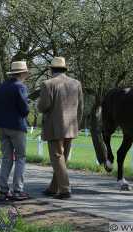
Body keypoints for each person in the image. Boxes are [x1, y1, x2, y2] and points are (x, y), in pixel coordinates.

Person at [37, 57, 83, 200]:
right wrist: (77, 124)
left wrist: (36, 105)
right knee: (62, 158)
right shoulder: (76, 83)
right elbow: (80, 107)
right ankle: (53, 187)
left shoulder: (47, 84)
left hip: (55, 126)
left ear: (51, 70)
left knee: (57, 157)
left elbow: (44, 106)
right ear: (65, 69)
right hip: (71, 126)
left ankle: (65, 189)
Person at [0, 61, 30, 201]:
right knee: (20, 157)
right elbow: (25, 109)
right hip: (16, 127)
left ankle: (3, 190)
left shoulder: (0, 87)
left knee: (7, 157)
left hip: (0, 126)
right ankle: (17, 190)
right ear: (23, 73)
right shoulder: (20, 87)